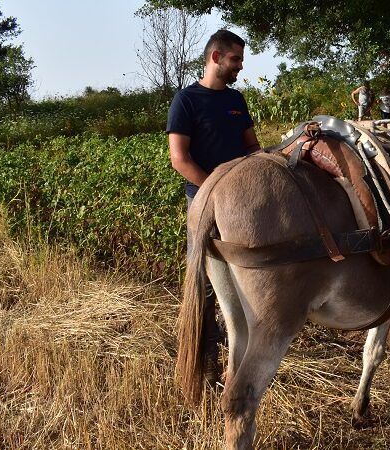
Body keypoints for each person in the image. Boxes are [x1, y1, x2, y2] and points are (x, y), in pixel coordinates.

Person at [166, 29, 261, 385]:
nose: (240, 67)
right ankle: (206, 364)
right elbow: (180, 158)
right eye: (235, 59)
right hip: (204, 201)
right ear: (216, 58)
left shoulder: (237, 99)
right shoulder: (186, 100)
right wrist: (219, 191)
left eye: (241, 60)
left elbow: (251, 147)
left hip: (246, 203)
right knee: (204, 287)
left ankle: (244, 350)